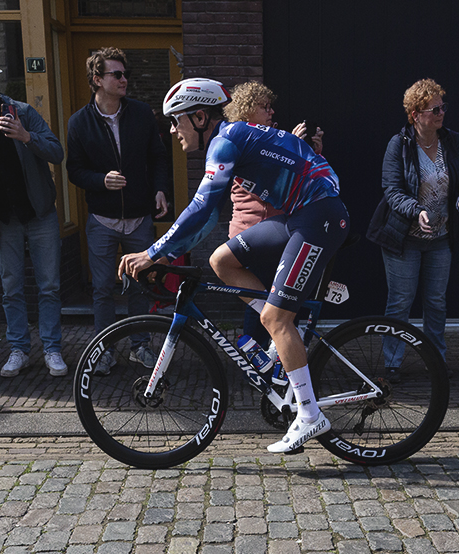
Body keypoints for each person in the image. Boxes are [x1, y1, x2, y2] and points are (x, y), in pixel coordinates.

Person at [119, 78, 349, 454]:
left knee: (276, 318)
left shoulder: (226, 140)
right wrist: (164, 253)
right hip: (300, 215)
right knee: (221, 260)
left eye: (176, 121)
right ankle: (281, 334)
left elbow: (203, 207)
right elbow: (208, 218)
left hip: (319, 216)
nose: (173, 130)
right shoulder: (231, 137)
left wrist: (153, 252)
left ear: (199, 117)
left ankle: (310, 415)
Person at [0, 57, 68, 378]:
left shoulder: (21, 112)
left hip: (39, 212)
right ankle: (19, 349)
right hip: (2, 219)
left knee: (49, 286)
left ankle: (52, 348)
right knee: (11, 288)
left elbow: (57, 152)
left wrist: (26, 136)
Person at [66, 47, 171, 374]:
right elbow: (74, 171)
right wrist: (100, 180)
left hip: (139, 217)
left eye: (125, 74)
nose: (124, 79)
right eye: (117, 74)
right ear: (97, 80)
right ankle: (104, 350)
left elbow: (158, 156)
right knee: (102, 289)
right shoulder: (79, 122)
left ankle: (141, 346)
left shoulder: (141, 113)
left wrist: (160, 189)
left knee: (141, 284)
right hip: (102, 219)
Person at [367, 78, 459, 375]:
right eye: (434, 109)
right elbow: (392, 190)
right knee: (400, 301)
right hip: (404, 238)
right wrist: (417, 211)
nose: (441, 113)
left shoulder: (452, 141)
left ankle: (435, 360)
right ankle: (392, 362)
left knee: (436, 302)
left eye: (443, 107)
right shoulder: (399, 144)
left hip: (441, 237)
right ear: (415, 114)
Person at [214, 80, 324, 348]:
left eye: (270, 106)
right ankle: (257, 361)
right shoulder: (241, 144)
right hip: (253, 236)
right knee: (261, 306)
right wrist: (292, 146)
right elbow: (271, 183)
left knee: (284, 306)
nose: (272, 112)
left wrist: (313, 153)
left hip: (278, 235)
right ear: (246, 111)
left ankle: (281, 360)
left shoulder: (269, 139)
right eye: (264, 107)